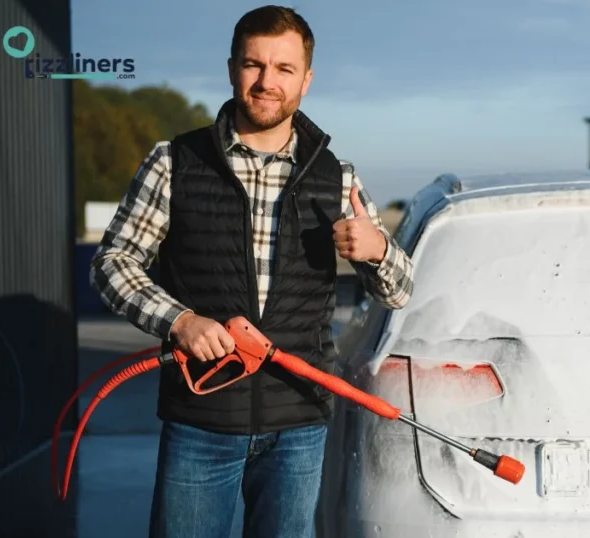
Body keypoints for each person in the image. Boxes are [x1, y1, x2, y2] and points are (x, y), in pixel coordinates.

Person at [89, 5, 414, 537]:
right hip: (201, 422)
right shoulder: (173, 162)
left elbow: (399, 291)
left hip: (298, 425)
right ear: (231, 68)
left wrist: (377, 250)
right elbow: (112, 265)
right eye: (253, 64)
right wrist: (180, 321)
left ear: (306, 80)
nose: (267, 82)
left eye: (284, 69)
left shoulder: (337, 178)